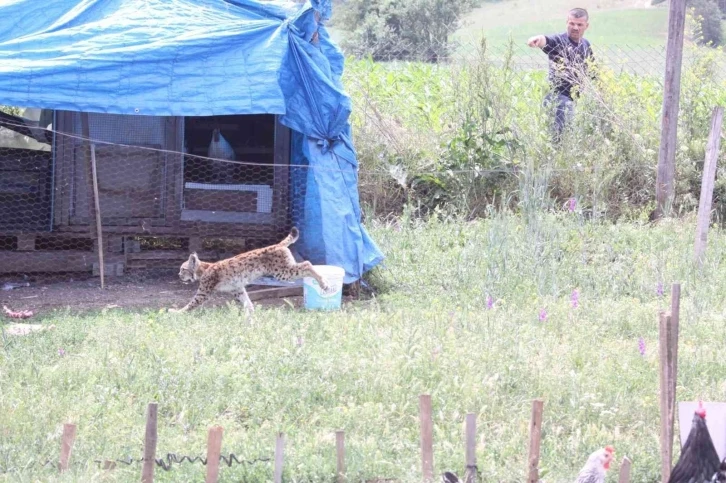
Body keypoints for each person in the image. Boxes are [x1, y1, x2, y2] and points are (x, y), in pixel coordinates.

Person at [527, 8, 595, 143]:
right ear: (566, 23)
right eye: (572, 23)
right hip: (558, 98)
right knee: (560, 140)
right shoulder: (559, 41)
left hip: (576, 100)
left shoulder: (586, 44)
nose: (575, 27)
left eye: (579, 24)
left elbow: (593, 72)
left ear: (586, 26)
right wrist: (537, 39)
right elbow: (546, 40)